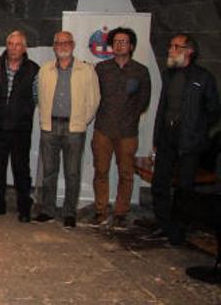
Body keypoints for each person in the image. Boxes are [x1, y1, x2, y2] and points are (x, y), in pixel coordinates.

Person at [147, 33, 219, 243]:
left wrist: (197, 129)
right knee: (160, 183)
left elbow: (214, 110)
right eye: (170, 46)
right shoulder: (168, 75)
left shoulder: (203, 78)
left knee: (184, 188)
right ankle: (163, 224)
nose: (170, 50)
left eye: (175, 46)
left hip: (189, 142)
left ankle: (179, 231)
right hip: (167, 137)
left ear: (189, 51)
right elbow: (162, 109)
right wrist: (156, 138)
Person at [35, 31, 100, 228]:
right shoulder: (45, 70)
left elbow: (94, 100)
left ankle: (69, 212)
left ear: (73, 45)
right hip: (49, 126)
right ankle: (47, 210)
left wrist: (81, 121)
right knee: (49, 171)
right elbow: (39, 97)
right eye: (58, 43)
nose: (62, 45)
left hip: (74, 128)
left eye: (66, 42)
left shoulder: (86, 70)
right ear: (54, 47)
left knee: (72, 172)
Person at [89, 27, 151, 230]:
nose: (118, 45)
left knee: (126, 173)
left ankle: (121, 212)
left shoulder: (141, 71)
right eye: (115, 41)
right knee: (100, 171)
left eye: (123, 41)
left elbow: (144, 100)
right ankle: (100, 211)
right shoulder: (101, 68)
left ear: (131, 46)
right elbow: (93, 96)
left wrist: (130, 118)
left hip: (127, 132)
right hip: (103, 129)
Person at [0, 31, 40, 222]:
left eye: (18, 45)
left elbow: (37, 98)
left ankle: (24, 208)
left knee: (21, 170)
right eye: (11, 44)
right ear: (6, 45)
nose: (14, 48)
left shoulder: (33, 69)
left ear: (24, 48)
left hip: (20, 129)